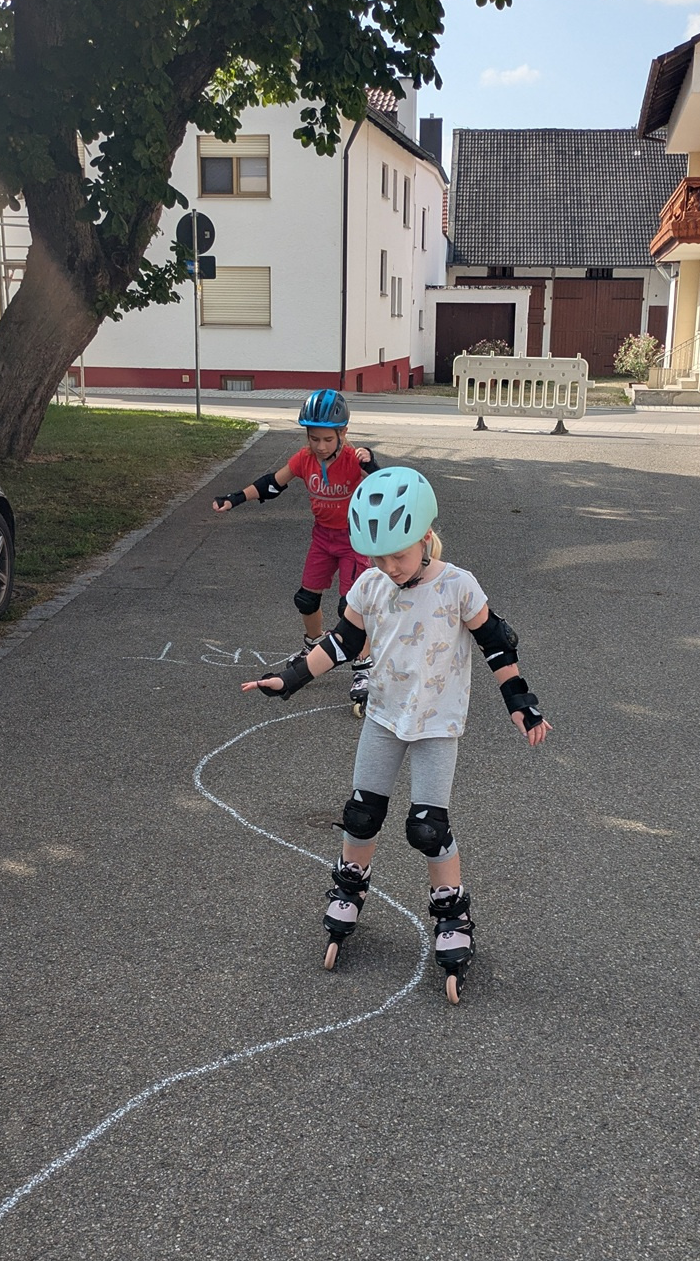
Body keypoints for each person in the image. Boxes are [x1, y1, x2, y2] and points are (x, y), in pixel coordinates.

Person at [241, 465, 551, 1003]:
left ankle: (452, 914)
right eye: (377, 557)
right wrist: (289, 678)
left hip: (437, 726)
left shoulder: (457, 586)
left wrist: (519, 702)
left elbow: (498, 643)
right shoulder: (370, 585)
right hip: (384, 717)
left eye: (398, 556)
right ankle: (349, 888)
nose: (388, 567)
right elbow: (340, 643)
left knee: (428, 827)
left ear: (426, 537)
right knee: (362, 813)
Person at [213, 388, 378, 711]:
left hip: (353, 540)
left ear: (343, 432)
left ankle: (364, 663)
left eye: (327, 439)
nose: (320, 446)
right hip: (322, 538)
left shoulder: (352, 460)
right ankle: (315, 645)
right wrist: (235, 498)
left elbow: (384, 483)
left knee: (352, 606)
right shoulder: (305, 459)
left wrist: (371, 463)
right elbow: (272, 484)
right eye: (314, 438)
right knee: (306, 599)